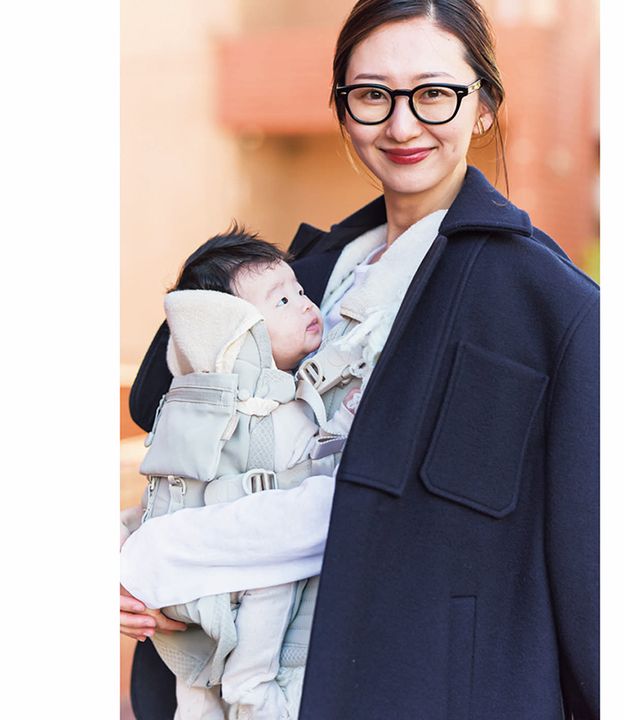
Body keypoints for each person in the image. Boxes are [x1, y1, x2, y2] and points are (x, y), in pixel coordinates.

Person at [121, 1, 599, 718]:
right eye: (373, 95)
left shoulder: (550, 306)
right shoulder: (300, 274)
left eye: (434, 93)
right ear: (343, 110)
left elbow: (591, 564)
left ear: (483, 108)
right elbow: (174, 420)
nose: (402, 125)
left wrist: (160, 558)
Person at [121, 225, 361, 720]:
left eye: (300, 292)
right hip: (190, 610)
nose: (306, 305)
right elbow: (162, 493)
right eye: (283, 302)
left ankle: (248, 693)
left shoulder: (297, 397)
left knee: (234, 678)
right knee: (199, 687)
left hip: (253, 613)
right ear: (230, 331)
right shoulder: (202, 410)